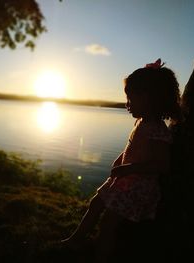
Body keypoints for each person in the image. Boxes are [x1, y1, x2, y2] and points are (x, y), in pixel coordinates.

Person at [60, 58, 182, 262]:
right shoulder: (141, 122)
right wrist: (120, 161)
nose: (127, 105)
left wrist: (128, 168)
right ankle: (76, 239)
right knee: (96, 202)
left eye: (131, 99)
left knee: (109, 223)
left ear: (149, 98)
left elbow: (162, 165)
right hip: (125, 180)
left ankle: (101, 255)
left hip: (138, 187)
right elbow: (132, 147)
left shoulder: (158, 130)